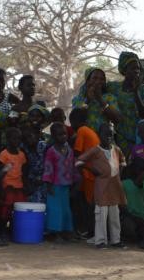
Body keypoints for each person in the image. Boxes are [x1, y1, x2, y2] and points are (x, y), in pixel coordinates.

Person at [77, 122, 127, 249]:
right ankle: (100, 240)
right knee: (101, 214)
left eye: (111, 134)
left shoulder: (116, 149)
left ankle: (116, 240)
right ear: (100, 135)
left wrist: (118, 173)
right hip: (101, 187)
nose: (109, 137)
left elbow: (123, 161)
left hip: (114, 187)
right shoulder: (95, 150)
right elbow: (79, 162)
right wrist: (91, 170)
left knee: (114, 214)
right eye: (106, 135)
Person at [107, 51, 144, 155]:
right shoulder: (113, 87)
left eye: (138, 68)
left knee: (139, 166)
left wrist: (136, 92)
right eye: (133, 68)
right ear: (124, 70)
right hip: (119, 137)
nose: (137, 71)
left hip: (140, 137)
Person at [42, 122, 76, 240]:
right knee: (55, 209)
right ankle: (54, 232)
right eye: (59, 135)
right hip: (54, 185)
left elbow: (72, 166)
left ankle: (65, 230)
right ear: (53, 136)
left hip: (66, 184)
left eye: (65, 134)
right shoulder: (51, 151)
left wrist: (74, 181)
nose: (63, 137)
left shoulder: (69, 149)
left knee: (65, 208)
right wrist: (48, 184)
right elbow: (48, 167)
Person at [71, 107, 99, 238]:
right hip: (93, 172)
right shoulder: (90, 131)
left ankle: (91, 231)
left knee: (88, 204)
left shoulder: (81, 131)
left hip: (88, 174)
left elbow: (77, 153)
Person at [0, 127, 28, 239]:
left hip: (19, 187)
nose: (17, 141)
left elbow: (23, 172)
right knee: (5, 211)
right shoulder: (3, 155)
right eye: (14, 139)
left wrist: (25, 186)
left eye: (19, 139)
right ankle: (1, 232)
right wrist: (0, 189)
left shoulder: (21, 155)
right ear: (8, 140)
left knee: (18, 211)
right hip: (7, 187)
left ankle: (13, 232)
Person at [71, 68, 121, 133]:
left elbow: (118, 118)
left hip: (105, 140)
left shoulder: (110, 97)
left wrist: (100, 99)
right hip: (85, 139)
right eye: (95, 78)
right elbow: (75, 121)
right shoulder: (78, 99)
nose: (98, 81)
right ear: (88, 81)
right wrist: (87, 101)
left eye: (102, 79)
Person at [121, 159, 144, 249]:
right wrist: (134, 217)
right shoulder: (124, 184)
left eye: (143, 169)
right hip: (130, 217)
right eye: (138, 168)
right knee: (129, 226)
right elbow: (121, 206)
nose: (140, 171)